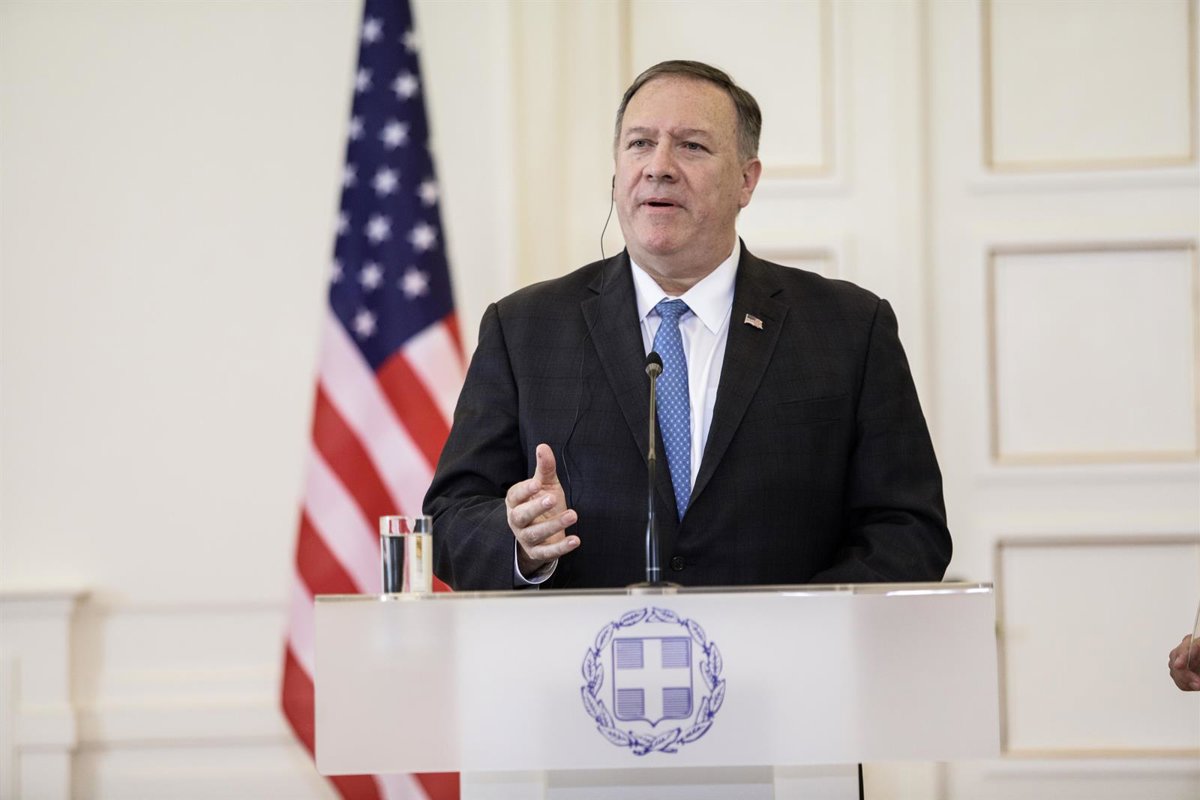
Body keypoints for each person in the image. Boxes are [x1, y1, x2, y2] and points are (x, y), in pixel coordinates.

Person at [425, 60, 951, 590]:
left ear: (746, 180)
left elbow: (908, 529)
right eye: (640, 144)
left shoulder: (849, 328)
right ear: (616, 172)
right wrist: (521, 543)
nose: (659, 167)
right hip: (588, 644)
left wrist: (805, 621)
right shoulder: (524, 329)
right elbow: (450, 519)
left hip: (785, 644)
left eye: (692, 146)